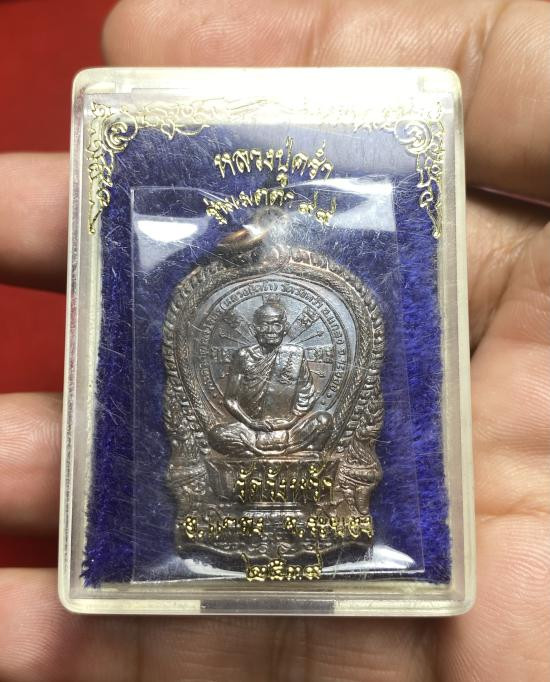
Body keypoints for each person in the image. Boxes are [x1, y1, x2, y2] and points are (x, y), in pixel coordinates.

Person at [0, 0, 549, 680]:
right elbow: (219, 406)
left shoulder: (302, 355)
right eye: (261, 323)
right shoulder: (235, 357)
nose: (269, 328)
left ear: (285, 325)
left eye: (276, 323)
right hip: (238, 450)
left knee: (319, 431)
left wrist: (299, 428)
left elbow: (322, 405)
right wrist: (243, 431)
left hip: (305, 447)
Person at [208, 297, 333, 457]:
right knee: (216, 435)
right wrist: (252, 423)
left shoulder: (294, 355)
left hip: (289, 429)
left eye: (276, 325)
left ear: (284, 329)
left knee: (324, 421)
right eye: (264, 325)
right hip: (250, 430)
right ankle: (290, 451)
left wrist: (291, 421)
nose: (270, 330)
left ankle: (256, 452)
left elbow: (305, 394)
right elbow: (230, 400)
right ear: (254, 329)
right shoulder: (243, 356)